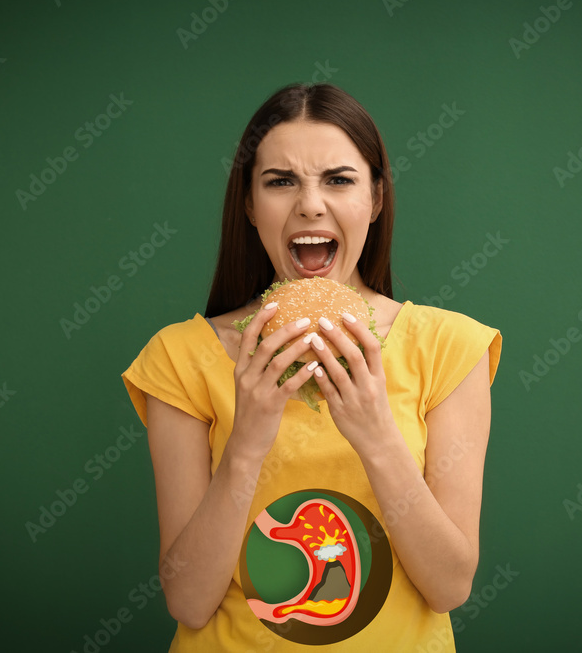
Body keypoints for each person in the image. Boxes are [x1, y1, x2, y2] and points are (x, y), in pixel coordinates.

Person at [121, 82, 501, 651]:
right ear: (249, 205)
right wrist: (246, 443)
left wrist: (376, 435)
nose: (309, 204)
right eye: (280, 182)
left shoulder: (449, 346)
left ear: (375, 199)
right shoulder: (180, 358)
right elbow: (188, 601)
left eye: (339, 180)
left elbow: (449, 586)